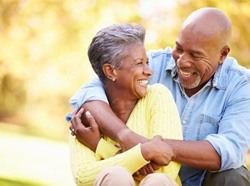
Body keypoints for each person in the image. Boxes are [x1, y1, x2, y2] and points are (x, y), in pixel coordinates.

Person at [67, 7, 250, 186]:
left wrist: (147, 149)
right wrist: (127, 137)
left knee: (234, 175)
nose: (182, 61)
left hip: (198, 181)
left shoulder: (241, 85)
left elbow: (228, 150)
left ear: (222, 55)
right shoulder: (154, 63)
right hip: (147, 179)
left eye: (195, 55)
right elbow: (89, 94)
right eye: (179, 48)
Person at [68, 24, 183, 186]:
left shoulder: (158, 96)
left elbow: (166, 170)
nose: (149, 71)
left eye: (147, 62)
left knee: (158, 181)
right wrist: (145, 152)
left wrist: (101, 147)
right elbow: (83, 176)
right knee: (115, 176)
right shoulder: (85, 116)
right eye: (139, 63)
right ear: (111, 71)